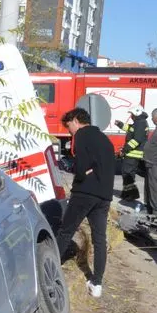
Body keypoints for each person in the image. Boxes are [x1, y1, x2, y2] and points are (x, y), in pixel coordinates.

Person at [56, 107, 115, 298]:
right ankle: (97, 283)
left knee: (66, 230)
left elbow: (82, 165)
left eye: (68, 127)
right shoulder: (105, 139)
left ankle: (51, 266)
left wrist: (78, 172)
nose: (69, 131)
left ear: (75, 120)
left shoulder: (82, 135)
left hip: (85, 192)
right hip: (104, 195)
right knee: (99, 239)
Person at [115, 106, 148, 201]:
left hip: (133, 154)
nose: (131, 116)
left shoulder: (140, 123)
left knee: (127, 174)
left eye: (132, 114)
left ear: (137, 113)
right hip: (133, 154)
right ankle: (129, 194)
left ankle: (130, 195)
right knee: (129, 174)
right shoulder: (139, 122)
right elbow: (130, 129)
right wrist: (120, 124)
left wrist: (124, 150)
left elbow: (136, 140)